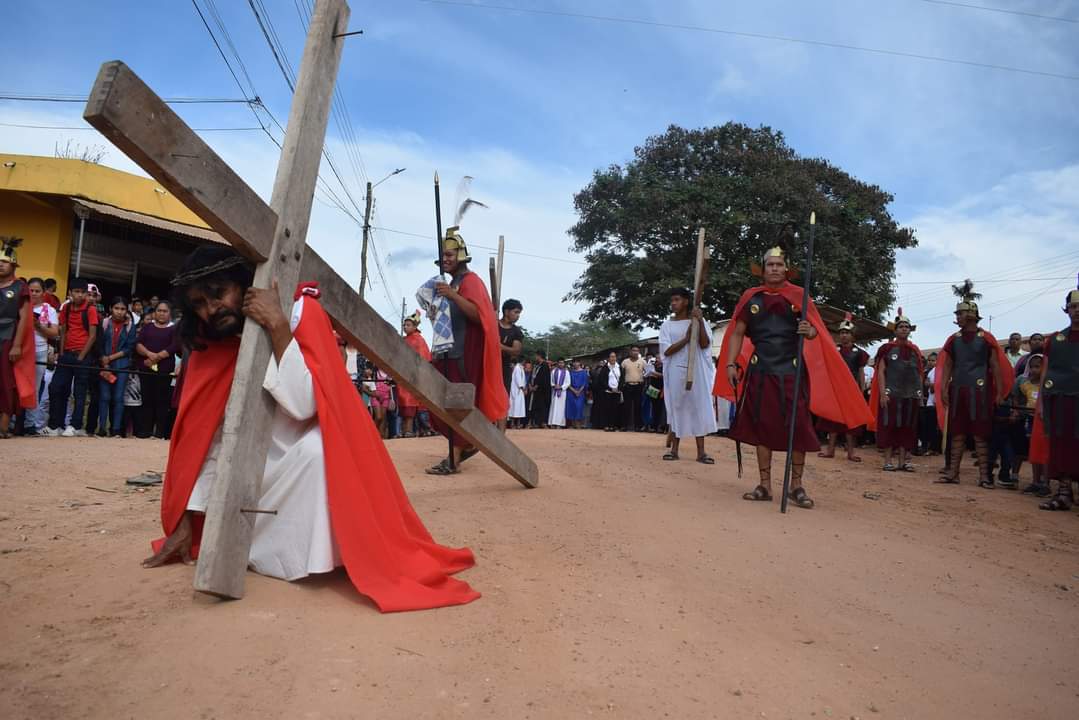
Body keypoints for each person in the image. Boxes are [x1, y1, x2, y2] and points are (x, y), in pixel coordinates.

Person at [143, 245, 478, 612]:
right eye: (199, 304)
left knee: (320, 451)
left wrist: (278, 327)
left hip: (296, 466)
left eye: (218, 293)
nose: (211, 309)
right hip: (247, 482)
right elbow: (207, 437)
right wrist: (188, 516)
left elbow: (304, 404)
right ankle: (254, 548)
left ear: (244, 283)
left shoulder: (303, 312)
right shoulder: (210, 343)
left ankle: (308, 555)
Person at [716, 245, 871, 509]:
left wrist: (808, 330)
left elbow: (815, 334)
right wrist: (730, 363)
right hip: (760, 370)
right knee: (761, 427)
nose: (774, 269)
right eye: (770, 265)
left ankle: (796, 486)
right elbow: (737, 332)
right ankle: (765, 485)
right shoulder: (751, 297)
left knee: (797, 428)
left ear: (786, 269)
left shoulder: (800, 296)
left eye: (779, 264)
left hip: (792, 371)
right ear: (762, 270)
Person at [426, 227, 508, 474]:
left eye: (450, 254)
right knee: (440, 403)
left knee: (457, 404)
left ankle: (455, 456)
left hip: (465, 355)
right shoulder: (452, 284)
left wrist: (452, 295)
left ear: (461, 255)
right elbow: (449, 320)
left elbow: (479, 315)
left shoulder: (471, 282)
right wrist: (435, 312)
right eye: (443, 255)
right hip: (449, 352)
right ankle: (464, 447)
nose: (445, 259)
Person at [933, 287, 1013, 487]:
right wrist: (943, 389)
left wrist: (1000, 392)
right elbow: (949, 365)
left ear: (971, 315)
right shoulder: (954, 339)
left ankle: (985, 476)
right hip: (958, 390)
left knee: (980, 434)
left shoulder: (985, 338)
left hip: (980, 391)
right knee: (957, 433)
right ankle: (953, 473)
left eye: (960, 313)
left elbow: (995, 366)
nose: (958, 317)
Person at [659, 288, 717, 463]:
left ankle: (701, 452)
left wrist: (699, 321)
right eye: (672, 301)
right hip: (676, 370)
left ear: (685, 301)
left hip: (696, 369)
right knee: (677, 407)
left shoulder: (699, 321)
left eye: (677, 300)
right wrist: (686, 338)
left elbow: (705, 344)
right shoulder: (667, 325)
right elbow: (667, 351)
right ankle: (674, 450)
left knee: (697, 406)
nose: (673, 304)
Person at [1036, 282, 1079, 511]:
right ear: (1067, 309)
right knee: (1061, 443)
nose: (1077, 310)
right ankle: (1063, 492)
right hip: (1059, 399)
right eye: (1073, 306)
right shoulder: (1054, 340)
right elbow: (1045, 370)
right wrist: (1042, 402)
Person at [869, 309, 924, 472]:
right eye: (901, 326)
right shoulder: (886, 349)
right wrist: (883, 393)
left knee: (907, 428)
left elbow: (919, 373)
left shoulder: (915, 350)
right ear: (895, 330)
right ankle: (888, 461)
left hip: (910, 395)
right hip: (891, 393)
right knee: (889, 426)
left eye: (907, 326)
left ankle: (903, 462)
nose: (904, 329)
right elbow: (880, 371)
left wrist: (919, 394)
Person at [43, 277, 99, 437]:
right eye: (76, 292)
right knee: (56, 388)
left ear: (87, 294)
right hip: (66, 354)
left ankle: (74, 425)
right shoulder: (66, 308)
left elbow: (93, 336)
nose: (80, 295)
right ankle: (55, 425)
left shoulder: (91, 309)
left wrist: (81, 356)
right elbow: (63, 330)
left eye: (83, 292)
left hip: (82, 356)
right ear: (70, 293)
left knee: (79, 392)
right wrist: (61, 352)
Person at [817, 312, 869, 462]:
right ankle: (830, 450)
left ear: (853, 335)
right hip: (835, 389)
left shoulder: (858, 353)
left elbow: (860, 372)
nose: (844, 335)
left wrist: (861, 390)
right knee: (833, 421)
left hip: (851, 390)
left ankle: (851, 453)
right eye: (842, 333)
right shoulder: (835, 350)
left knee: (850, 422)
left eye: (847, 332)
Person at [0, 237, 35, 437]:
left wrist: (17, 345)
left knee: (6, 381)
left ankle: (3, 426)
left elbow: (24, 318)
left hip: (7, 338)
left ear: (13, 264)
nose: (0, 265)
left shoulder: (19, 287)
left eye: (4, 262)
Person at [135, 300, 179, 439]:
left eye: (165, 311)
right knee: (146, 399)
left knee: (162, 401)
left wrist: (156, 357)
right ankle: (145, 431)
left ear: (170, 313)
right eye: (159, 310)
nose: (161, 313)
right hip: (146, 368)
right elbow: (138, 344)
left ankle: (159, 432)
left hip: (164, 370)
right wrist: (148, 354)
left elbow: (175, 347)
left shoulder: (174, 329)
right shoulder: (147, 327)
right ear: (155, 312)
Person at [97, 297, 137, 437]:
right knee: (104, 396)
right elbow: (99, 343)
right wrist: (105, 360)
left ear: (127, 311)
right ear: (110, 309)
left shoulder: (131, 325)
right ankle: (101, 428)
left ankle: (116, 430)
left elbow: (130, 348)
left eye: (122, 309)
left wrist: (111, 358)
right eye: (116, 308)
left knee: (118, 397)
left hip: (122, 365)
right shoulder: (104, 323)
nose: (119, 312)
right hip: (105, 364)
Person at [25, 278, 59, 433]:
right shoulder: (21, 306)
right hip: (21, 350)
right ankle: (13, 420)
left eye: (37, 291)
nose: (34, 294)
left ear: (43, 292)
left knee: (35, 387)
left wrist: (38, 326)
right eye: (31, 290)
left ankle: (30, 423)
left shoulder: (49, 310)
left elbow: (54, 333)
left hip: (39, 350)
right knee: (16, 385)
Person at [398, 312, 432, 438]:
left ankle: (415, 430)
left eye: (408, 325)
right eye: (404, 325)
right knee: (404, 402)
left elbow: (424, 358)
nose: (405, 327)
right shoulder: (403, 340)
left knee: (413, 403)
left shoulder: (419, 340)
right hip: (404, 376)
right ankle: (406, 430)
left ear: (415, 326)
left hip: (415, 377)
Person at [497, 299, 524, 430]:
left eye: (519, 313)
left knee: (503, 399)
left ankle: (500, 434)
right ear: (506, 311)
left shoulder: (516, 332)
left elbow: (516, 351)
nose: (518, 315)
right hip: (488, 367)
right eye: (516, 312)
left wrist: (500, 347)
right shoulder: (493, 325)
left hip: (504, 369)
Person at [917, 353, 942, 456]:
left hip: (938, 403)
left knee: (936, 427)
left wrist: (933, 385)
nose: (931, 362)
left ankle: (935, 448)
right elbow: (926, 383)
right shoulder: (929, 372)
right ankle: (927, 447)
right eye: (930, 360)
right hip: (929, 402)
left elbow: (943, 383)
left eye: (933, 360)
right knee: (927, 426)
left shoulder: (941, 370)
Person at [593, 351, 622, 432]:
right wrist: (610, 388)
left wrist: (618, 388)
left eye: (614, 356)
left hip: (617, 391)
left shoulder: (619, 367)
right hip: (607, 391)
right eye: (611, 357)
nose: (613, 358)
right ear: (608, 358)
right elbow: (602, 380)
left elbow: (622, 379)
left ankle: (613, 425)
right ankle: (606, 425)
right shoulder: (605, 368)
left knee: (615, 409)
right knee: (607, 409)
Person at [620, 346, 647, 431]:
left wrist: (644, 383)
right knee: (626, 406)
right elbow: (621, 374)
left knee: (638, 406)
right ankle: (624, 426)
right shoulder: (625, 362)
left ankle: (637, 426)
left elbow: (647, 372)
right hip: (627, 386)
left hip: (638, 386)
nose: (635, 352)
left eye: (637, 351)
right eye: (633, 350)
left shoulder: (643, 362)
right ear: (630, 352)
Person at [529, 350, 551, 429]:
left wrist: (536, 386)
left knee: (542, 406)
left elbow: (543, 378)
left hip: (543, 390)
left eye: (536, 356)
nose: (535, 357)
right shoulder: (537, 365)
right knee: (536, 406)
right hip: (537, 390)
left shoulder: (545, 365)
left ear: (539, 356)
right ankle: (536, 422)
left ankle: (543, 422)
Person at [547, 359, 570, 428]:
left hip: (562, 393)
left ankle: (559, 424)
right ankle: (552, 423)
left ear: (564, 364)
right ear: (557, 363)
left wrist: (561, 387)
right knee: (553, 407)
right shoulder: (554, 371)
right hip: (554, 391)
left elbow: (568, 382)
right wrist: (554, 385)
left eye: (562, 363)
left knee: (561, 408)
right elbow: (551, 381)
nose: (560, 364)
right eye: (559, 363)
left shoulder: (566, 372)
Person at [566, 360, 589, 429]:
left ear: (580, 363)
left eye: (577, 362)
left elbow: (584, 383)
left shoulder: (584, 372)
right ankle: (572, 424)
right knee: (571, 407)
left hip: (580, 392)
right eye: (574, 362)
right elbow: (568, 383)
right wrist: (574, 391)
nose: (576, 364)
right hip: (571, 392)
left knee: (579, 407)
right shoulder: (570, 372)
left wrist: (579, 391)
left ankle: (578, 423)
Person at [646, 357, 666, 432]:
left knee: (660, 409)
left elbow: (664, 376)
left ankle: (660, 426)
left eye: (659, 358)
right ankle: (653, 426)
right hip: (652, 390)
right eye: (657, 358)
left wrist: (653, 373)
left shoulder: (664, 367)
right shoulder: (653, 366)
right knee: (653, 408)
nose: (658, 360)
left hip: (660, 390)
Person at [508, 358, 528, 428]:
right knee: (515, 407)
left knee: (520, 408)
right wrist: (523, 388)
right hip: (517, 390)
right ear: (522, 361)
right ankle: (513, 423)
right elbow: (518, 379)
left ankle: (518, 423)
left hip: (520, 391)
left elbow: (523, 379)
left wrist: (524, 388)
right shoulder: (517, 368)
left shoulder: (521, 368)